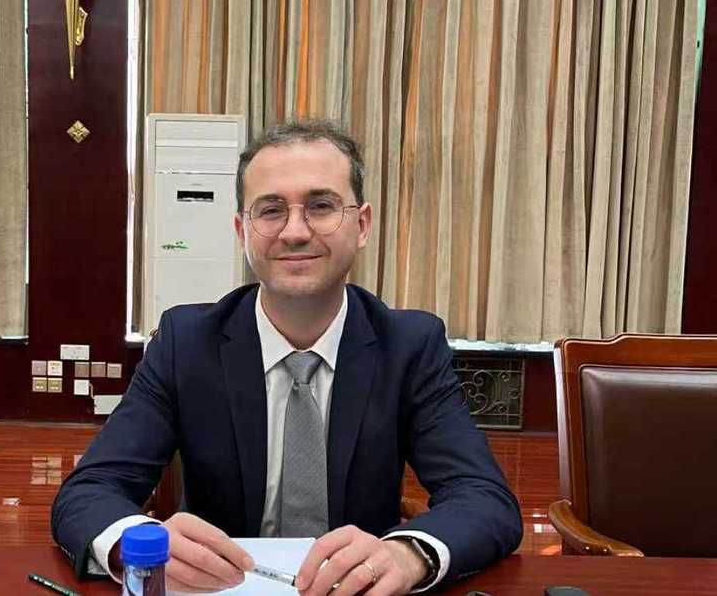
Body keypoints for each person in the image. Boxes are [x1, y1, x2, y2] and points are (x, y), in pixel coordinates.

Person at [52, 120, 522, 595]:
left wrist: (409, 552)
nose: (295, 232)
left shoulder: (409, 345)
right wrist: (135, 543)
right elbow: (90, 491)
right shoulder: (186, 342)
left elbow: (483, 498)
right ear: (242, 230)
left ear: (362, 225)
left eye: (321, 206)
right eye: (271, 210)